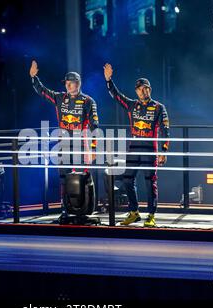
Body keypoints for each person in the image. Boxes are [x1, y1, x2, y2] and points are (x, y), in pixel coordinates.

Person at [30, 60, 99, 221]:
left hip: (81, 145)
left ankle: (84, 209)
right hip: (63, 144)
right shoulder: (59, 97)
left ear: (78, 83)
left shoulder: (89, 101)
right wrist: (34, 78)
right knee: (63, 177)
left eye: (71, 83)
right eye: (66, 83)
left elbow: (95, 126)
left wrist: (94, 149)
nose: (68, 86)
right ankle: (65, 209)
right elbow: (42, 91)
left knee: (84, 176)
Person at [103, 63, 170, 227]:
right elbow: (117, 96)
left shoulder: (159, 108)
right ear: (136, 91)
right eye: (140, 89)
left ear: (150, 89)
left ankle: (151, 215)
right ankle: (134, 212)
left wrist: (164, 151)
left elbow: (165, 130)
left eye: (146, 88)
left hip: (150, 150)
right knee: (127, 180)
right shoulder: (132, 105)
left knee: (150, 182)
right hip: (133, 149)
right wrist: (108, 81)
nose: (143, 91)